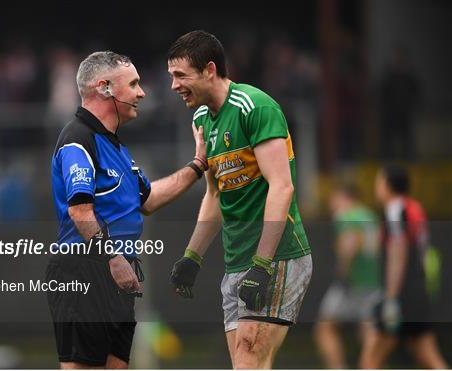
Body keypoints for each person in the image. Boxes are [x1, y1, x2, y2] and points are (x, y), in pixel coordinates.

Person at [48, 51, 207, 369]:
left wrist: (198, 164)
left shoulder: (116, 146)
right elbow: (81, 212)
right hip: (85, 269)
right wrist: (114, 259)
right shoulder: (79, 139)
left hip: (115, 272)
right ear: (105, 87)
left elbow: (147, 200)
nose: (141, 92)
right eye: (133, 84)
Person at [167, 30, 312, 369]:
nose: (174, 85)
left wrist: (261, 264)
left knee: (249, 360)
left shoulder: (255, 107)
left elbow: (282, 187)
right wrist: (192, 256)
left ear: (209, 69)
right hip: (236, 264)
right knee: (246, 365)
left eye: (180, 75)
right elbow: (215, 194)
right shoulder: (202, 120)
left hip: (276, 258)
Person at [359, 165, 448, 368]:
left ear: (388, 185)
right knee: (426, 353)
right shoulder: (413, 207)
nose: (376, 187)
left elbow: (397, 252)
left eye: (379, 182)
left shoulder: (395, 208)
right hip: (417, 293)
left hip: (402, 297)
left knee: (371, 357)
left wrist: (390, 298)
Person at [314, 184, 381, 368]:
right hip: (372, 281)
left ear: (342, 196)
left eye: (333, 199)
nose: (331, 204)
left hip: (351, 283)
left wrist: (342, 271)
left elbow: (349, 243)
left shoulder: (346, 215)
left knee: (325, 327)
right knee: (368, 330)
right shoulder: (370, 215)